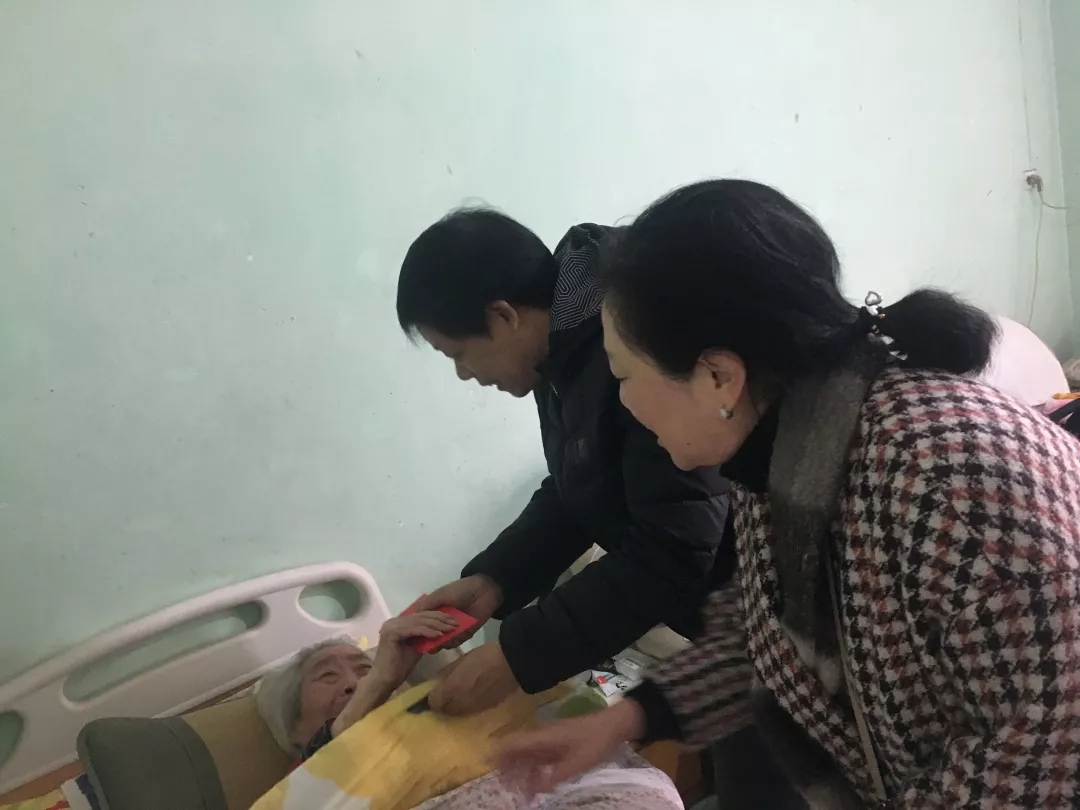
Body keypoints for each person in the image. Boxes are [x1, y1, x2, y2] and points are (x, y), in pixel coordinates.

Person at [496, 179, 1080, 808]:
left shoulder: (944, 484)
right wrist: (626, 719)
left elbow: (1049, 759)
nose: (625, 403)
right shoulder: (789, 448)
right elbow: (771, 637)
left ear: (719, 377)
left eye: (624, 376)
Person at [395, 209, 732, 716]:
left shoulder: (628, 350)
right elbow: (582, 484)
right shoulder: (560, 356)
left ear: (503, 316)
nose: (463, 374)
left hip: (766, 613)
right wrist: (496, 578)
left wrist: (517, 656)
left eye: (457, 354)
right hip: (723, 626)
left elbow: (676, 544)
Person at [256, 610, 458, 758]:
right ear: (296, 730)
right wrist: (374, 687)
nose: (356, 683)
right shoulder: (297, 789)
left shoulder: (442, 724)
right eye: (327, 674)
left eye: (365, 669)